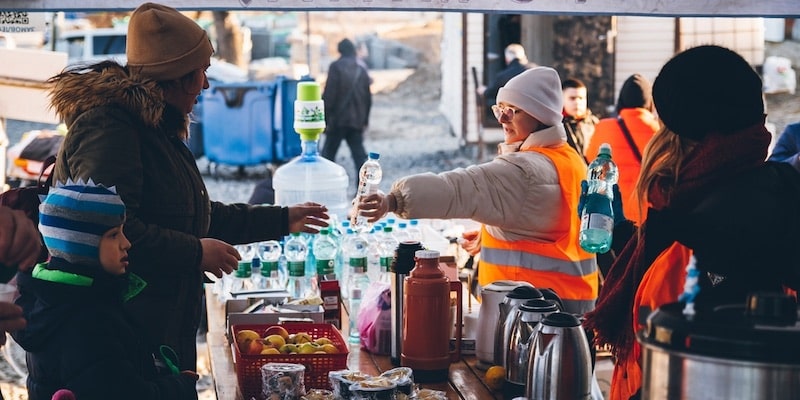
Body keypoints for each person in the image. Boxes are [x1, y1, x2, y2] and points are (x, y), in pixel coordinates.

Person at [41, 2, 329, 372]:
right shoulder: (111, 128)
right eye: (199, 73)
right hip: (118, 336)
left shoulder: (154, 126)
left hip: (154, 328)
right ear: (172, 76)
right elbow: (110, 231)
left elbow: (191, 216)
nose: (206, 84)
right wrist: (195, 253)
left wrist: (281, 218)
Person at [584, 45, 800, 400]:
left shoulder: (723, 221)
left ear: (685, 137)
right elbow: (664, 275)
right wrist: (620, 233)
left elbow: (701, 360)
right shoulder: (727, 198)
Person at [359, 67, 598, 315]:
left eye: (511, 111)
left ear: (539, 115)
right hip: (570, 307)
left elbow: (459, 189)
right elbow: (545, 222)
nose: (502, 119)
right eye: (499, 109)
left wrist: (393, 200)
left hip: (527, 316)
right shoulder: (569, 158)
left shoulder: (523, 171)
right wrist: (493, 233)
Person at [13, 180, 200, 400]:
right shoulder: (86, 322)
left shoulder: (56, 298)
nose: (126, 243)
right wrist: (180, 386)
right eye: (113, 235)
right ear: (81, 246)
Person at [585, 74, 659, 225]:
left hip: (611, 213)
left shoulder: (603, 127)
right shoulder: (658, 131)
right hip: (647, 215)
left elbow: (590, 161)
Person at [321, 38, 373, 179]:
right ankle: (362, 192)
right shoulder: (362, 69)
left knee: (327, 158)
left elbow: (329, 96)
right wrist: (365, 121)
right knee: (360, 158)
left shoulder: (336, 67)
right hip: (356, 122)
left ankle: (325, 188)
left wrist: (325, 119)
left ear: (340, 51)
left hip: (337, 121)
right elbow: (368, 99)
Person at [479, 43, 535, 121]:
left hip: (514, 117)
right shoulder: (535, 71)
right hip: (535, 115)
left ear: (507, 59)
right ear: (524, 56)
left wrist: (484, 91)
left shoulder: (503, 76)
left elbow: (492, 92)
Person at [562, 78, 599, 160]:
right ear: (562, 99)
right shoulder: (556, 125)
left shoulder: (595, 124)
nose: (577, 102)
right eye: (572, 98)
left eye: (581, 98)